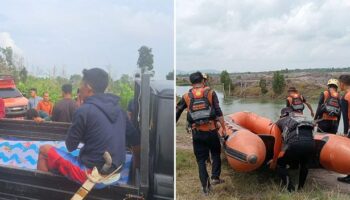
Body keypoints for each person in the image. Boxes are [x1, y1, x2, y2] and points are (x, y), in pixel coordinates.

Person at [37, 68, 140, 186]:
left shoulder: (84, 110)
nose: (79, 89)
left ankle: (43, 192)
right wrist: (135, 166)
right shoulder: (119, 110)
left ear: (88, 87)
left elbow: (70, 146)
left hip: (93, 175)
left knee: (44, 150)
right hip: (115, 174)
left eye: (81, 84)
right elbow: (136, 142)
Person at [176, 71, 227, 195]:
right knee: (215, 152)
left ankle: (205, 188)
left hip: (197, 133)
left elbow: (177, 112)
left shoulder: (186, 96)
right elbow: (218, 111)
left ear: (191, 82)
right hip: (211, 131)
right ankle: (215, 177)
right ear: (203, 81)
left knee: (201, 160)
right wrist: (223, 127)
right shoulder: (210, 93)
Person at [275, 107, 315, 192]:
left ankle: (290, 188)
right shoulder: (303, 117)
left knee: (280, 164)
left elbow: (275, 130)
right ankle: (301, 188)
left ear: (283, 114)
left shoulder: (282, 119)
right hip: (311, 144)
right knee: (304, 165)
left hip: (295, 143)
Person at [337, 74, 350, 183]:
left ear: (342, 83)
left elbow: (345, 117)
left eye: (339, 83)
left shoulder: (345, 97)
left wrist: (345, 132)